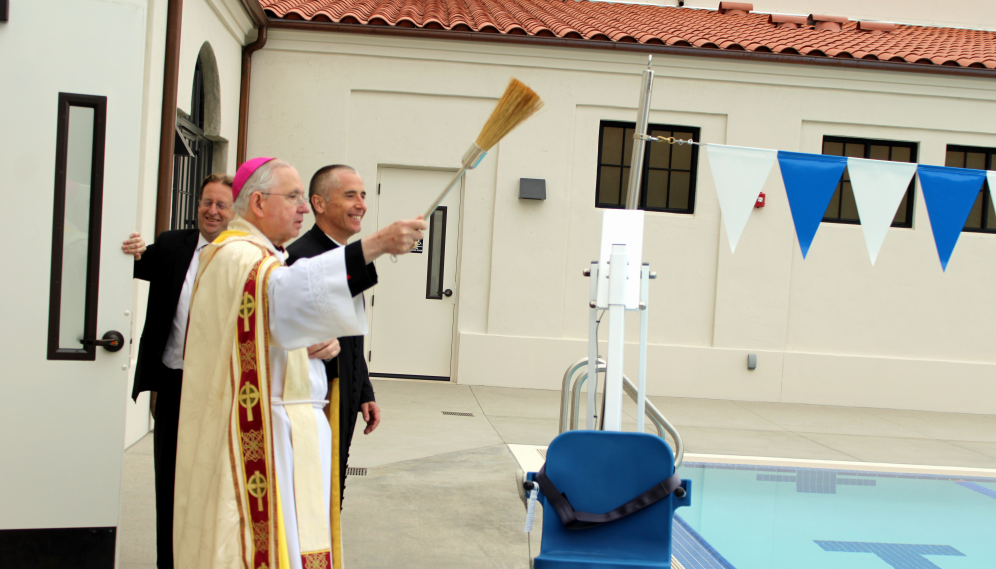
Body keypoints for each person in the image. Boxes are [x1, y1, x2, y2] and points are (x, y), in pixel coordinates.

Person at [173, 157, 425, 569]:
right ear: (257, 202)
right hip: (261, 428)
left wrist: (309, 342)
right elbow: (285, 294)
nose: (302, 208)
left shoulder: (256, 254)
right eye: (292, 197)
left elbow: (270, 322)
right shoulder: (239, 255)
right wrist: (377, 244)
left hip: (287, 422)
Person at [120, 173, 235, 569]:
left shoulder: (243, 256)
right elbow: (139, 263)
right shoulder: (172, 245)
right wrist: (134, 250)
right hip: (173, 382)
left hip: (222, 389)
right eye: (207, 202)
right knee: (169, 483)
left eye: (221, 204)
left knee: (212, 484)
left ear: (234, 211)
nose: (212, 211)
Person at [287, 165, 378, 509]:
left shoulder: (344, 256)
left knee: (331, 489)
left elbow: (353, 333)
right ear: (319, 204)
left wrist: (363, 391)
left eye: (364, 195)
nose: (361, 204)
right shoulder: (301, 258)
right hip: (317, 400)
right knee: (311, 495)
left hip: (346, 394)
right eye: (350, 195)